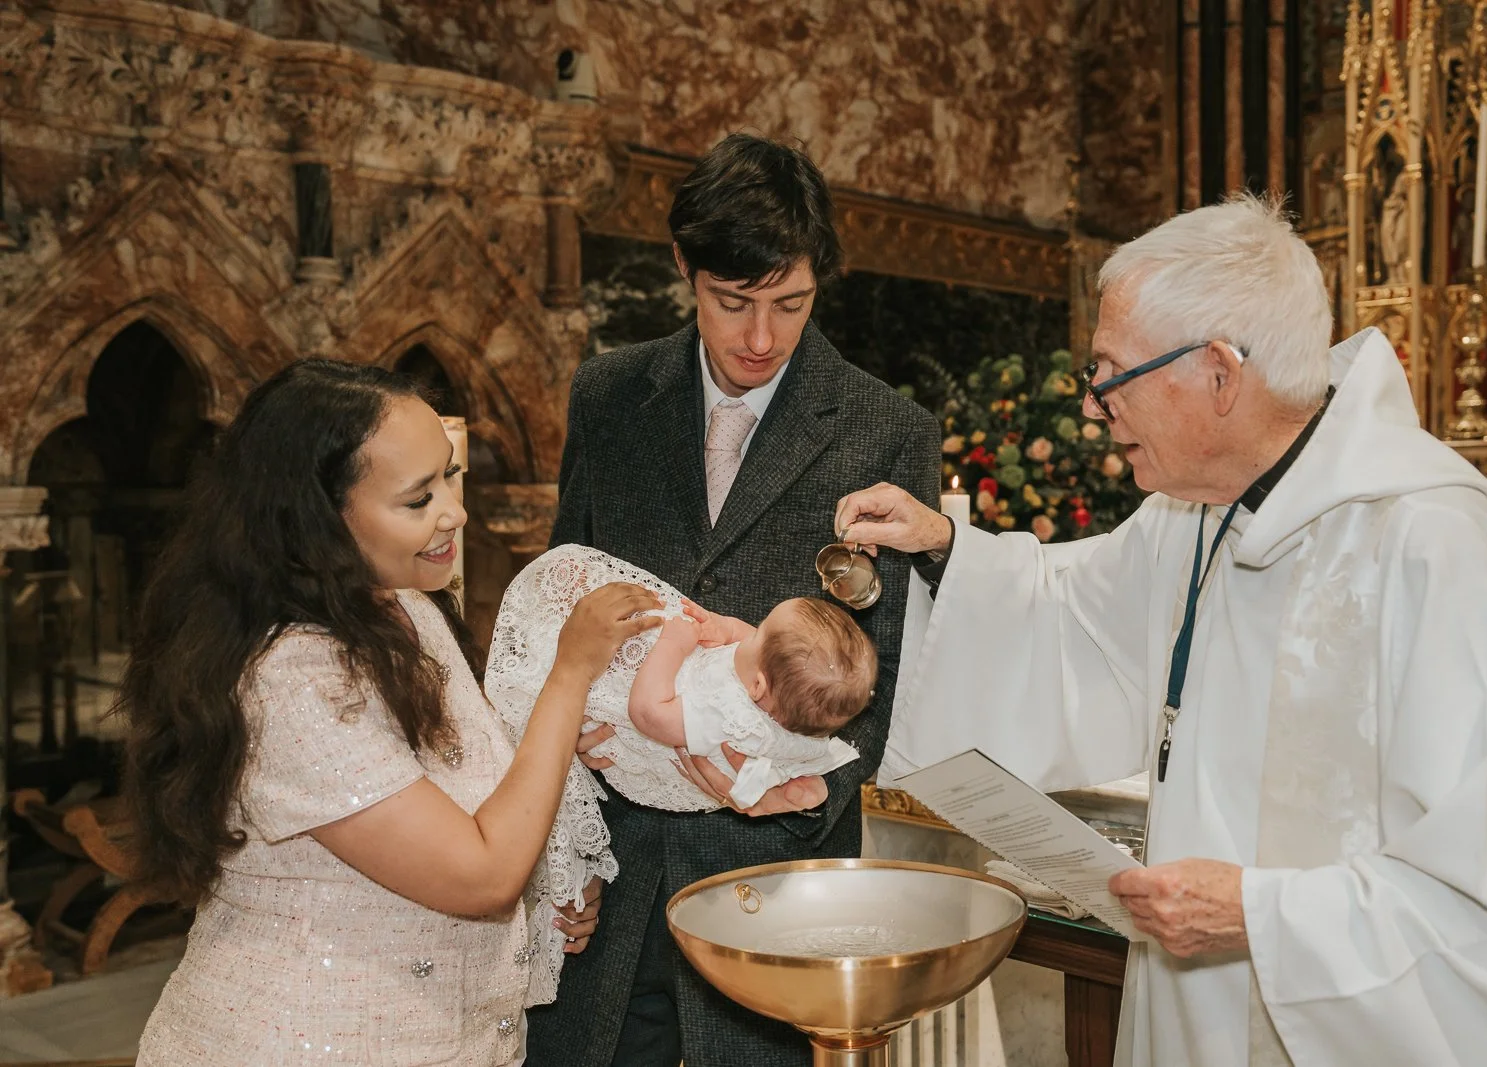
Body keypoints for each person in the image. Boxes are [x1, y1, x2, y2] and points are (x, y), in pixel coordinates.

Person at [835, 195, 1487, 1066]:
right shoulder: (1191, 518)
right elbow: (1074, 618)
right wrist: (944, 549)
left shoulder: (1435, 551)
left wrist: (1259, 915)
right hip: (1192, 1008)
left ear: (1219, 373)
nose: (1094, 407)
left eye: (1111, 373)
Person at [524, 132, 941, 1067]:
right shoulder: (607, 395)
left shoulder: (886, 429)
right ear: (684, 268)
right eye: (733, 301)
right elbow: (563, 607)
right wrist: (559, 842)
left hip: (776, 885)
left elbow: (882, 674)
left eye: (790, 303)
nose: (760, 337)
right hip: (611, 869)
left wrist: (789, 797)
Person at [123, 360, 661, 1066]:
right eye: (418, 499)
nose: (454, 512)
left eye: (450, 475)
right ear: (319, 516)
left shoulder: (403, 606)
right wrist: (570, 673)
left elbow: (471, 791)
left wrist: (553, 886)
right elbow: (479, 873)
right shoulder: (291, 677)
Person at [489, 544, 872, 815]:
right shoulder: (786, 699)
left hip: (659, 716)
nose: (748, 630)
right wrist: (724, 630)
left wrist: (671, 645)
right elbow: (760, 645)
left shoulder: (723, 715)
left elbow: (648, 712)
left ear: (757, 688)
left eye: (758, 632)